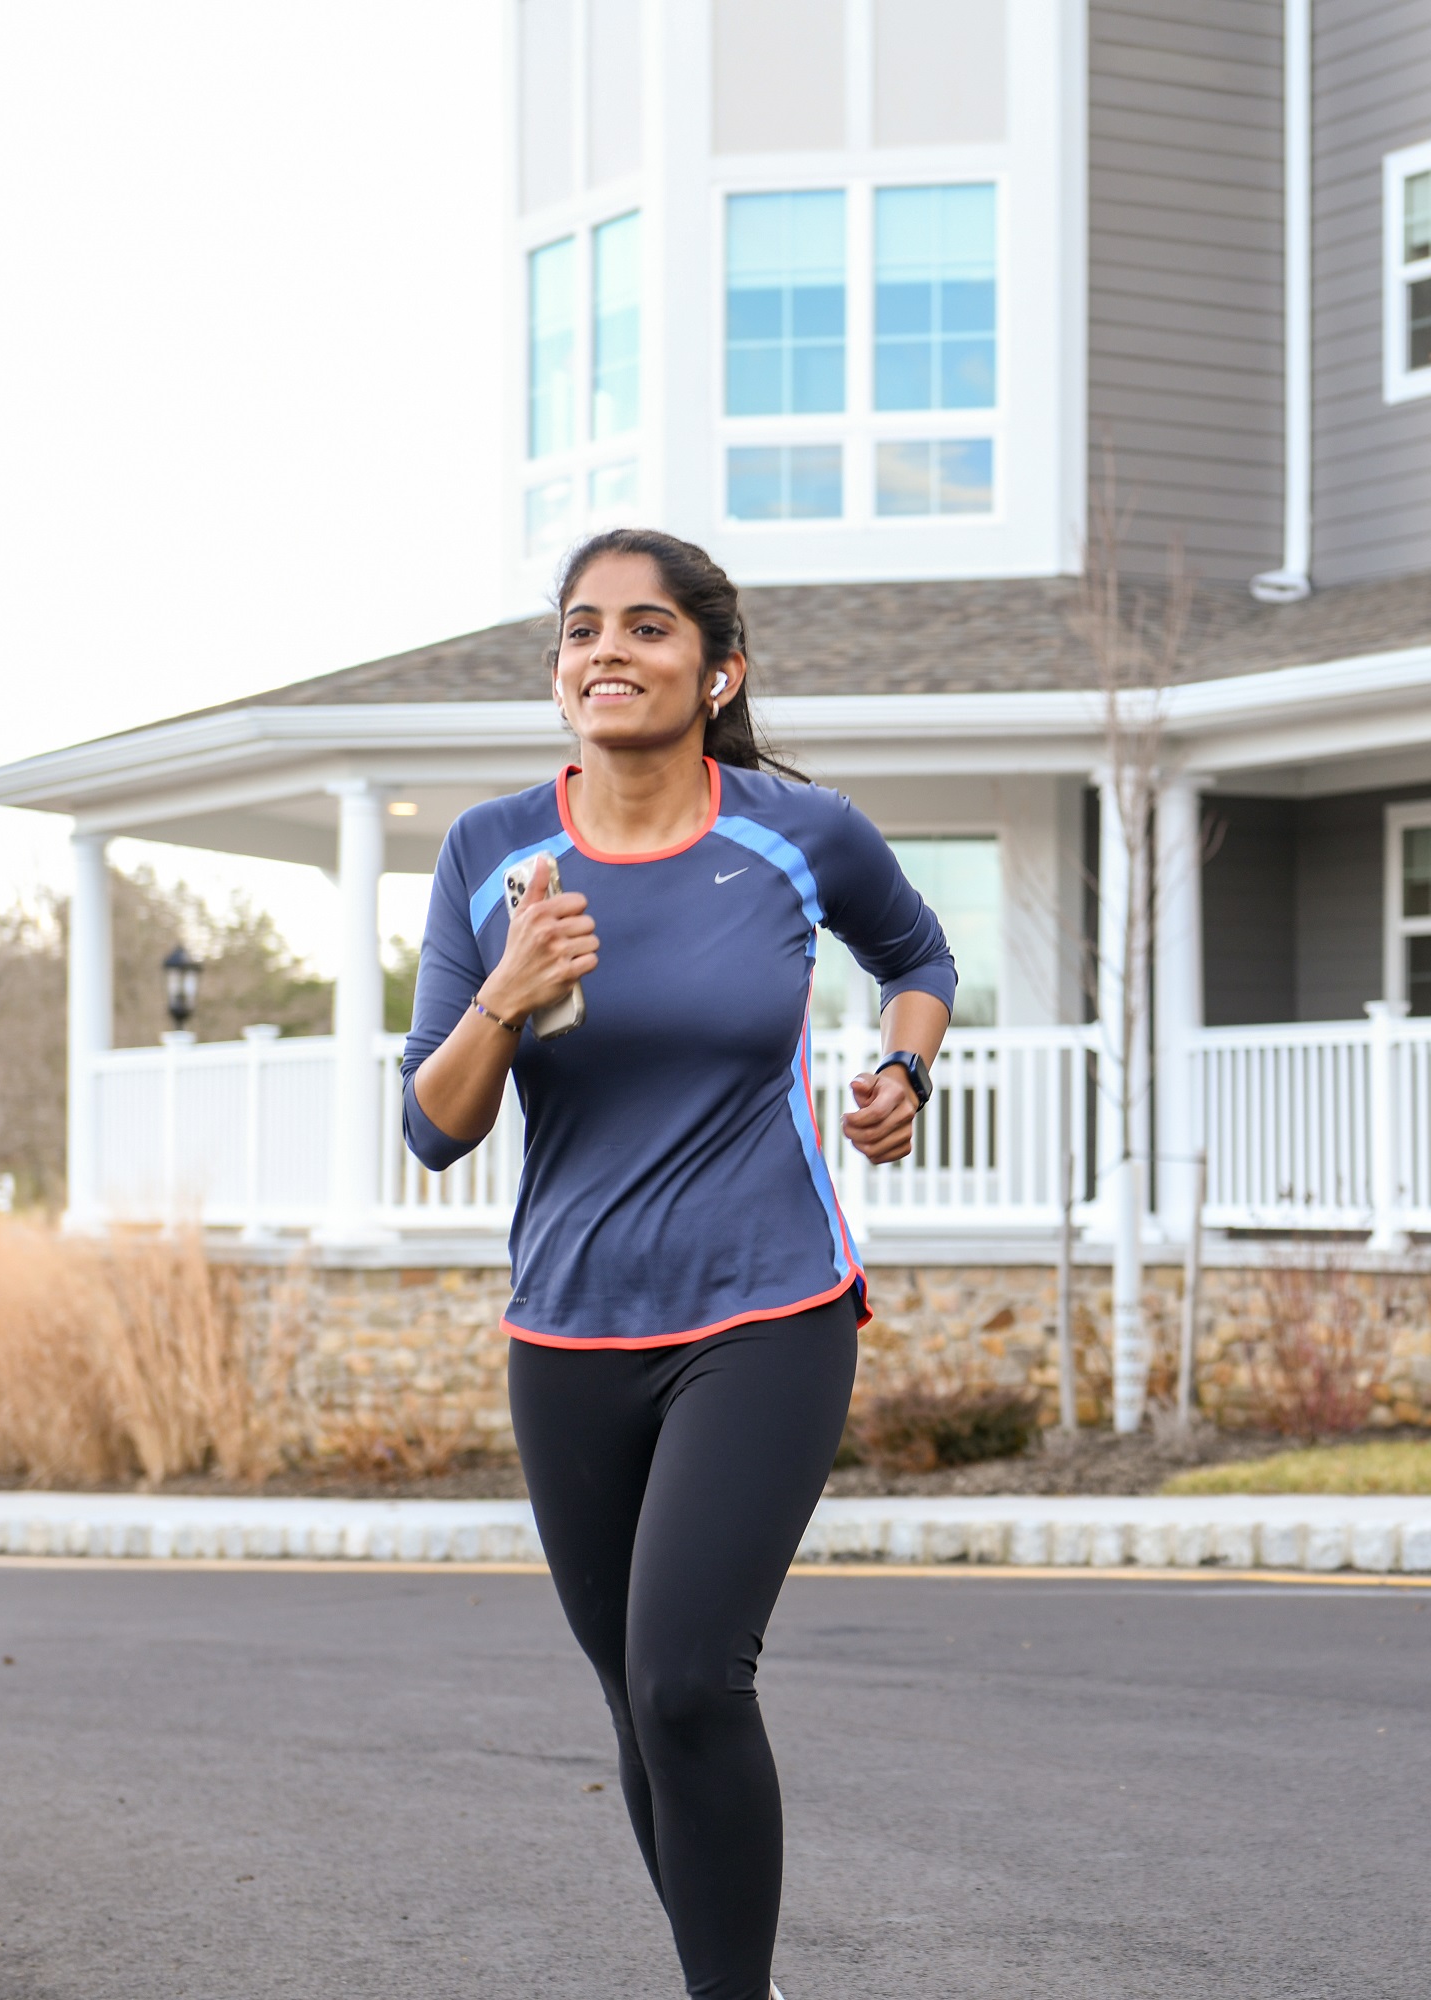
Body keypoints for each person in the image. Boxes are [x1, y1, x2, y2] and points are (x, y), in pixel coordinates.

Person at [401, 526, 953, 2000]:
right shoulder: (489, 854)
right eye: (582, 629)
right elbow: (436, 1128)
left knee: (687, 1679)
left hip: (768, 1309)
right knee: (638, 1709)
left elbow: (919, 958)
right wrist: (508, 999)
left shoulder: (797, 830)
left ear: (718, 672)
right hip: (570, 1331)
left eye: (647, 629)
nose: (608, 653)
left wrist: (904, 1073)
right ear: (557, 669)